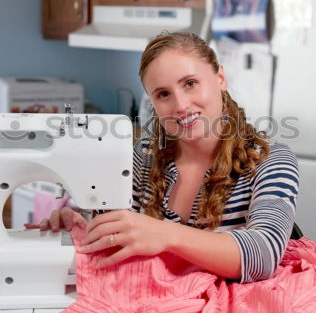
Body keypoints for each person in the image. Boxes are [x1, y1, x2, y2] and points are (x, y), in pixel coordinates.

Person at [37, 32, 298, 283]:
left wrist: (163, 233)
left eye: (190, 83)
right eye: (163, 94)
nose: (181, 105)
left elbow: (264, 254)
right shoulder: (143, 158)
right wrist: (85, 227)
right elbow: (122, 240)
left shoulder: (269, 160)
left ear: (220, 78)